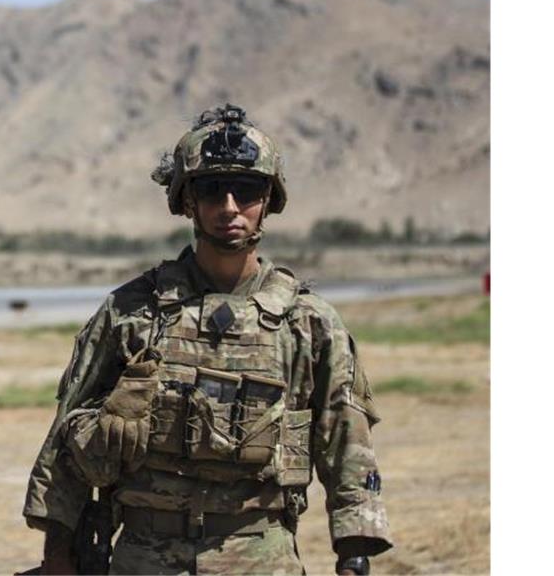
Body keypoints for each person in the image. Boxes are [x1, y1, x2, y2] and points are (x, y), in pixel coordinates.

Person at [22, 105, 392, 575]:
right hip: (144, 556)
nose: (230, 207)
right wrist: (58, 556)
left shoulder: (308, 322)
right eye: (212, 190)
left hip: (262, 557)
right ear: (187, 201)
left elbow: (347, 445)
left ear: (270, 200)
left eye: (248, 191)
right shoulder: (132, 312)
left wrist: (354, 553)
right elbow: (65, 438)